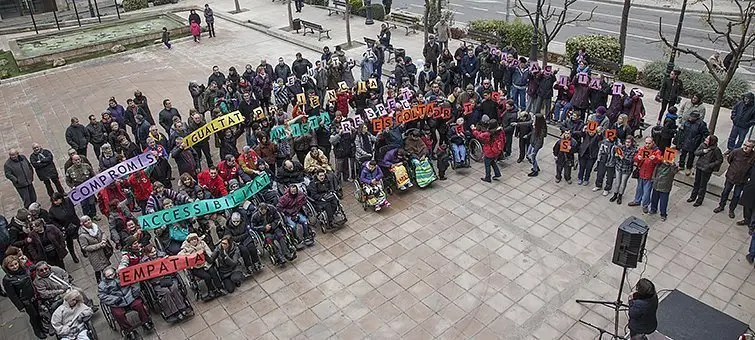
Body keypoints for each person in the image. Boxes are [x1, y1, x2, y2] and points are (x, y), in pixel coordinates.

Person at [140, 244, 190, 322]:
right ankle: (174, 312)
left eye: (154, 251)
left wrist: (167, 260)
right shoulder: (143, 263)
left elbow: (171, 266)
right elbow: (144, 276)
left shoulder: (162, 255)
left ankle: (182, 307)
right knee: (166, 292)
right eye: (151, 253)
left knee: (174, 288)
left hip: (168, 278)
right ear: (147, 254)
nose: (154, 254)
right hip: (157, 282)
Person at [98, 267, 154, 335]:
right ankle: (128, 330)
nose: (111, 276)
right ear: (105, 277)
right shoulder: (102, 285)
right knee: (118, 314)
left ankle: (145, 321)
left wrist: (135, 291)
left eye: (112, 274)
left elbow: (134, 281)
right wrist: (114, 299)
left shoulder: (124, 275)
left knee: (139, 304)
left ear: (115, 272)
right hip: (117, 302)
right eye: (108, 276)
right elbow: (102, 296)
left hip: (130, 296)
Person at [3, 255, 46, 339]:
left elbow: (33, 267)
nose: (15, 267)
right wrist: (20, 306)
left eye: (16, 264)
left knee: (38, 313)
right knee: (33, 316)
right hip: (25, 301)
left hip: (33, 296)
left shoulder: (24, 269)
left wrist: (26, 261)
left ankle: (42, 327)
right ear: (7, 267)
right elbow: (12, 295)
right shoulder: (7, 279)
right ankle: (37, 331)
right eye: (11, 266)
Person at [715, 140, 755, 218]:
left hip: (742, 179)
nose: (745, 147)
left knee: (736, 195)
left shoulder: (753, 156)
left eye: (748, 146)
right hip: (731, 176)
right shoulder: (736, 151)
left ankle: (731, 210)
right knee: (725, 192)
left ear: (752, 148)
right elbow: (729, 159)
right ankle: (721, 206)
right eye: (745, 145)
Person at [628, 137, 662, 212]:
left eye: (649, 143)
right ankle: (637, 201)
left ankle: (645, 205)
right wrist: (638, 158)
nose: (647, 145)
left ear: (653, 143)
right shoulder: (642, 149)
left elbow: (659, 160)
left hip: (649, 175)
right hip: (641, 173)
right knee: (639, 189)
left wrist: (655, 158)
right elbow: (635, 158)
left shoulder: (657, 151)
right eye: (646, 143)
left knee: (647, 191)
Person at [49, 192, 83, 263]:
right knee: (70, 243)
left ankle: (83, 250)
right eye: (54, 201)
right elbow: (53, 221)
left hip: (75, 223)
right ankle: (73, 256)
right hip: (65, 228)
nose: (56, 202)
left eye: (57, 200)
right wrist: (61, 228)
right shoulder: (52, 210)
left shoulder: (68, 201)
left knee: (80, 238)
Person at [77, 216, 112, 283]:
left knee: (105, 266)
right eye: (86, 221)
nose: (88, 222)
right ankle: (101, 281)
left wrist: (104, 240)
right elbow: (85, 247)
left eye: (89, 219)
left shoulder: (95, 226)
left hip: (103, 251)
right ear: (82, 224)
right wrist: (99, 245)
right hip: (95, 255)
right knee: (99, 268)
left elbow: (103, 233)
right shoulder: (82, 235)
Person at [675, 111, 709, 176]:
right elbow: (683, 131)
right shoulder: (687, 122)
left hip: (694, 143)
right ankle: (681, 165)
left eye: (692, 117)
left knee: (691, 156)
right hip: (685, 141)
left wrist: (701, 142)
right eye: (690, 116)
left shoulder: (701, 124)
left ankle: (689, 167)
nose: (690, 118)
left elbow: (705, 133)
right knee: (683, 154)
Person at [65, 155, 97, 220]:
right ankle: (87, 216)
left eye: (79, 159)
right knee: (84, 204)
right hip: (79, 189)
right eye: (76, 160)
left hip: (89, 187)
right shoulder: (69, 170)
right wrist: (72, 187)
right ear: (73, 161)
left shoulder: (86, 166)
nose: (78, 161)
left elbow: (93, 175)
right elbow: (68, 181)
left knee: (92, 202)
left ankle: (94, 215)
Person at [649, 155, 679, 221]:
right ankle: (653, 209)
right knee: (654, 199)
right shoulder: (659, 164)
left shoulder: (671, 167)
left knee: (663, 202)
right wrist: (653, 179)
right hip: (656, 185)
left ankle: (663, 214)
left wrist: (672, 164)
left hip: (665, 187)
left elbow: (675, 171)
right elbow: (655, 171)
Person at [594, 131, 617, 195]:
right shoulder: (604, 142)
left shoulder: (617, 144)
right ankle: (598, 185)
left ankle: (607, 189)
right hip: (603, 161)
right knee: (600, 174)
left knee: (609, 177)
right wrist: (598, 160)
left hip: (611, 162)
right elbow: (600, 151)